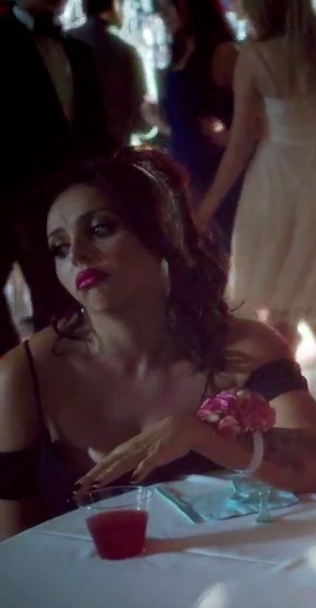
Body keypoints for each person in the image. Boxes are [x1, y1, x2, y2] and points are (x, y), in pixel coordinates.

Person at [0, 149, 316, 541]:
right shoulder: (23, 375)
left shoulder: (248, 348)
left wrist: (204, 436)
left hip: (230, 566)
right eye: (59, 248)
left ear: (164, 232)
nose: (77, 255)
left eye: (99, 229)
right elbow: (10, 544)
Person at [197, 0, 316, 445]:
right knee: (306, 293)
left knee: (285, 295)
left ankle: (267, 403)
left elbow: (239, 144)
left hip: (279, 179)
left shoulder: (255, 56)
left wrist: (206, 207)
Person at [0, 0, 117, 355]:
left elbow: (96, 134)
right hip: (11, 204)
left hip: (73, 204)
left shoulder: (81, 52)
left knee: (66, 306)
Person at [155, 0, 240, 251]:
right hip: (184, 177)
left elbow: (254, 125)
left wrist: (226, 135)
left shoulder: (223, 53)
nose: (163, 15)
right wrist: (159, 120)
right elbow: (187, 127)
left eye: (169, 7)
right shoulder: (179, 51)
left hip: (220, 179)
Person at [68, 0, 148, 148]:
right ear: (114, 4)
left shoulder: (65, 43)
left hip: (74, 150)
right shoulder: (126, 53)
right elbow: (140, 118)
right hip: (115, 150)